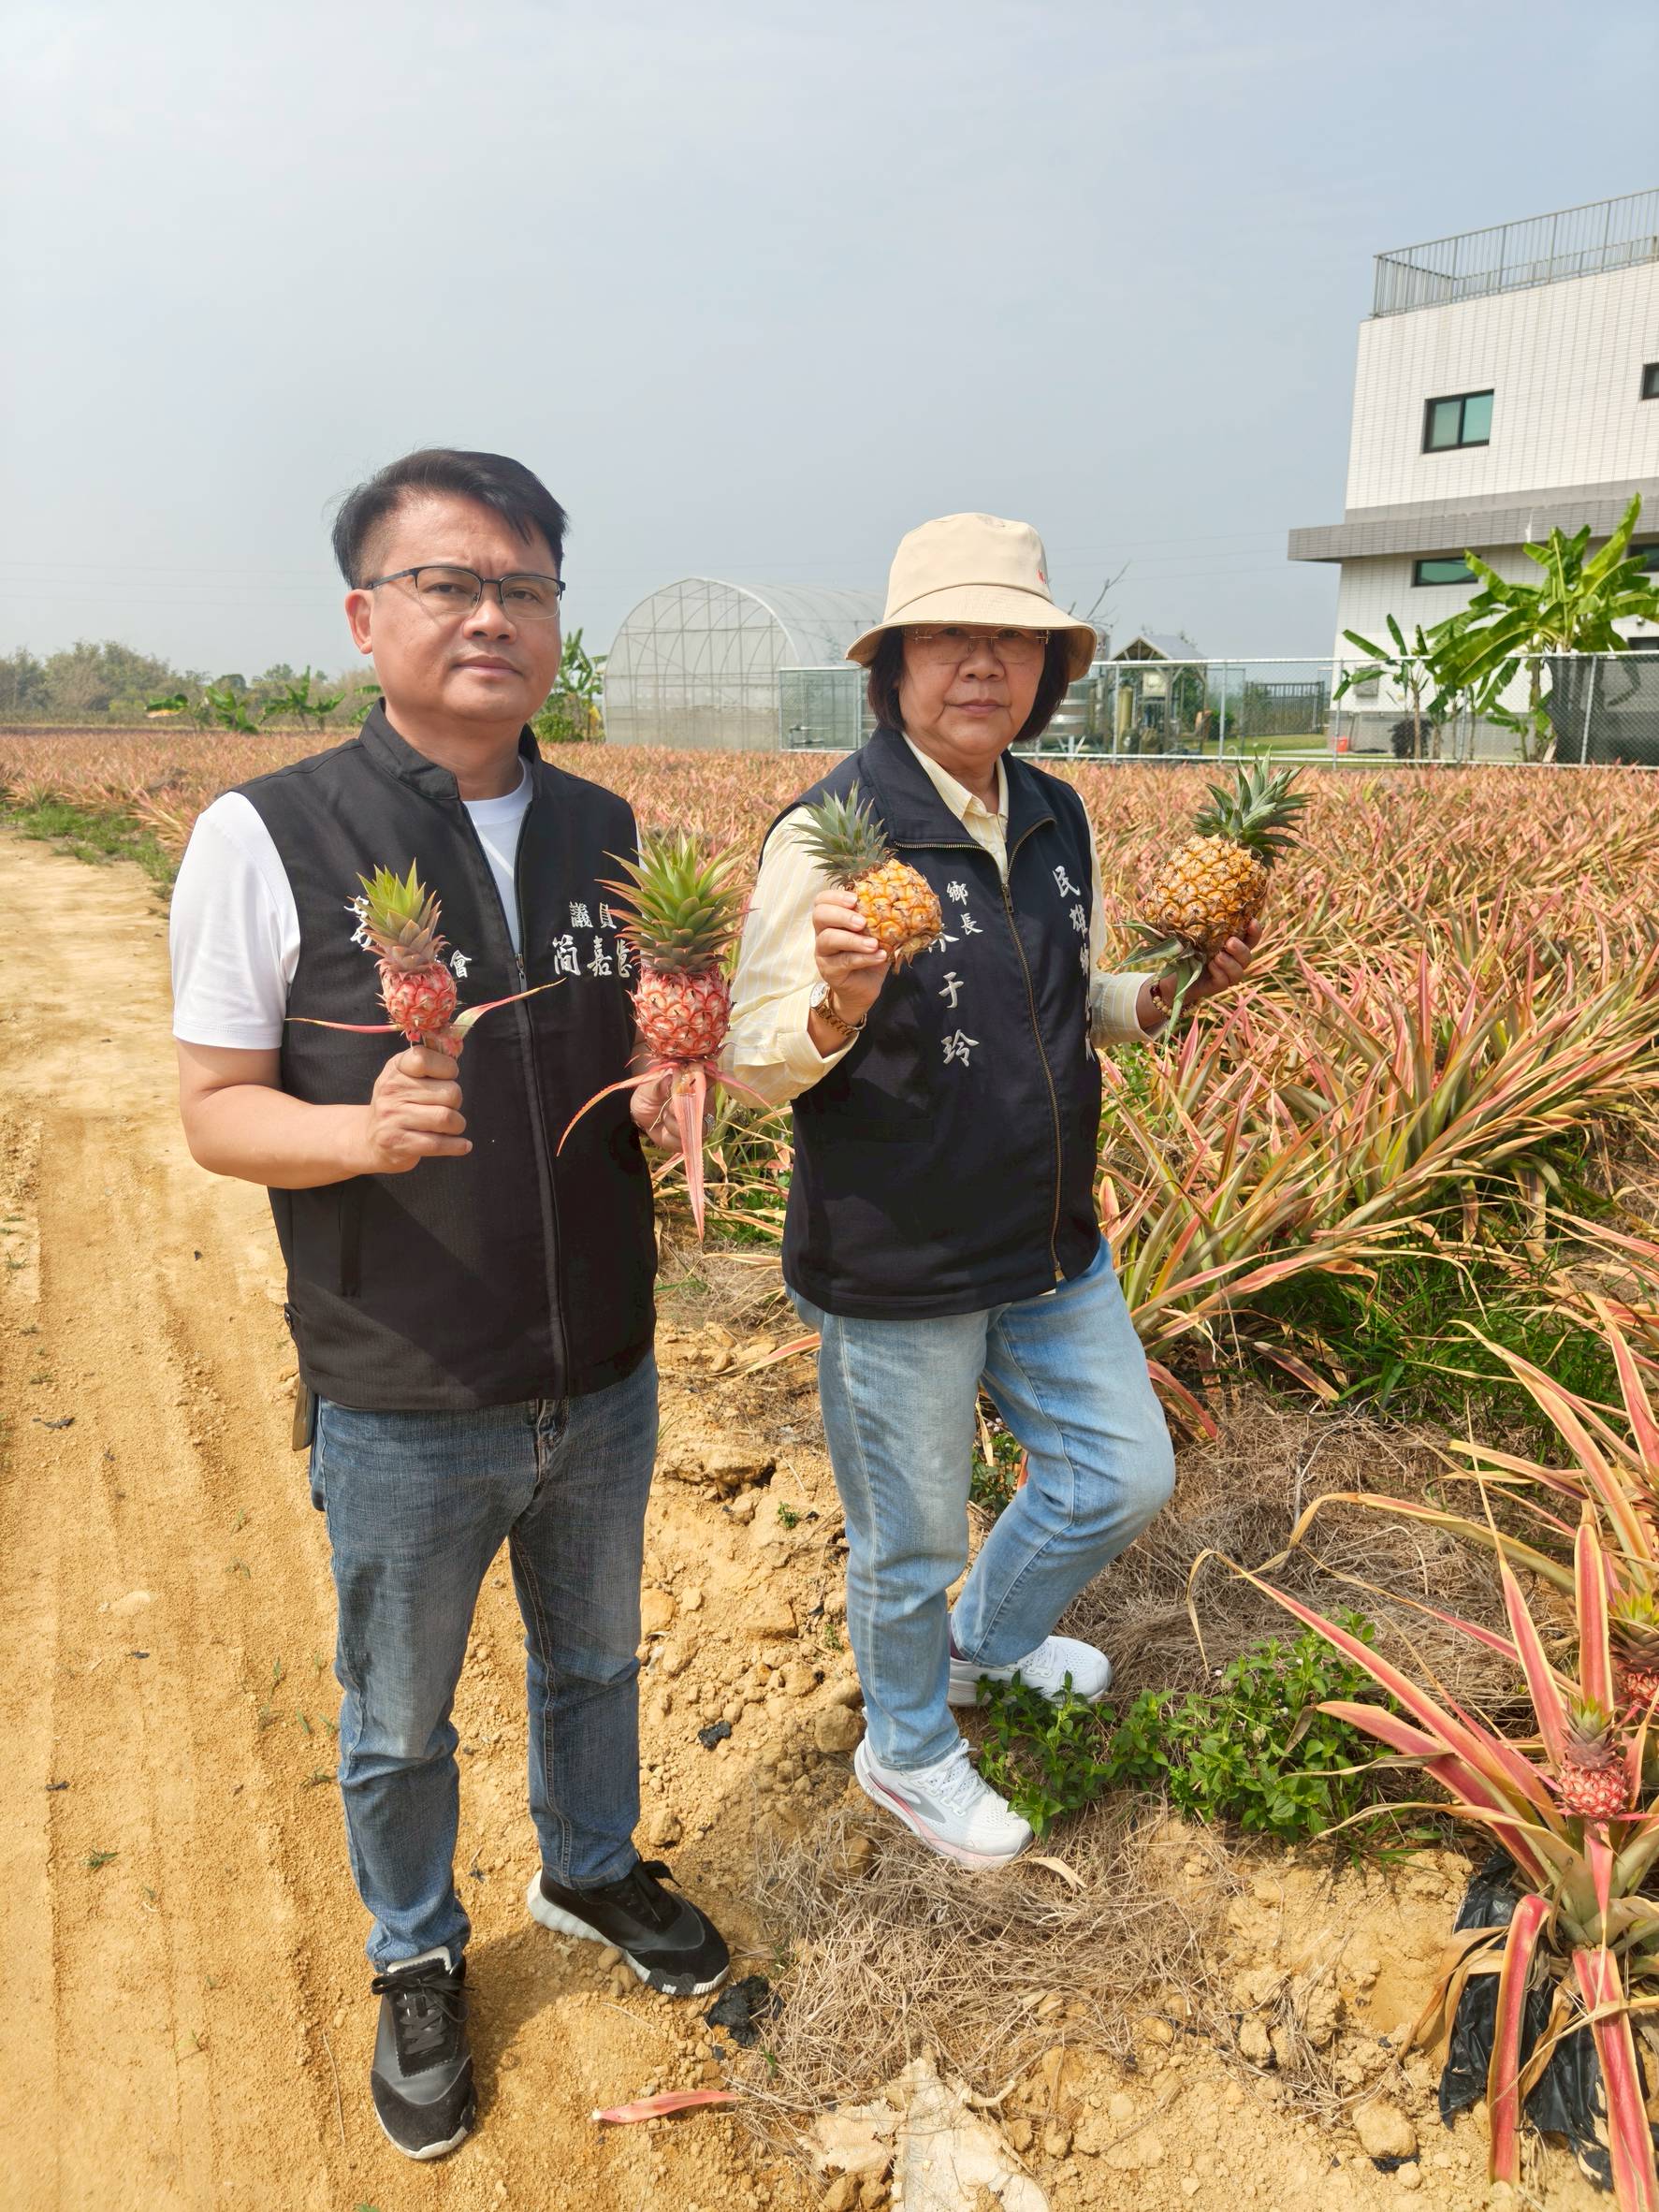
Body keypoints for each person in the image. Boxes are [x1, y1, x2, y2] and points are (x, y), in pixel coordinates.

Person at [169, 448, 728, 2162]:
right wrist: (357, 1131)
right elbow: (212, 1110)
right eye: (450, 583)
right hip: (403, 1383)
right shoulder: (271, 834)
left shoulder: (604, 832)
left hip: (602, 1366)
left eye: (525, 588)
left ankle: (590, 1871)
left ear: (557, 618)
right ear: (366, 617)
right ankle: (415, 1952)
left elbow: (632, 1047)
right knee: (398, 1716)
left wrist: (673, 1085)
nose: (493, 616)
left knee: (595, 1657)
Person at [725, 513, 1258, 1870]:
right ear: (894, 664)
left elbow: (1065, 992)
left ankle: (986, 1644)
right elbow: (748, 1059)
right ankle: (905, 1749)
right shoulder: (828, 839)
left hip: (1048, 1233)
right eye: (951, 637)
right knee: (906, 1542)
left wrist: (1162, 996)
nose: (983, 663)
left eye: (1014, 641)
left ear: (1048, 671)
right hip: (900, 1258)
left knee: (1120, 1474)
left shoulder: (1056, 813)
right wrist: (837, 1008)